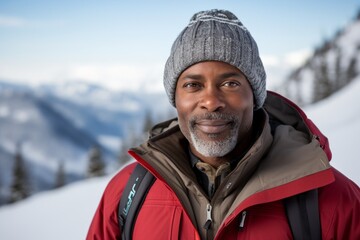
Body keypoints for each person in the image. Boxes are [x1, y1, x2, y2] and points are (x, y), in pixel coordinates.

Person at [87, 9, 360, 239]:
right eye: (193, 85)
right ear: (176, 98)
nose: (211, 101)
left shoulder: (333, 199)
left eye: (230, 83)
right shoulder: (127, 193)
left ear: (255, 96)